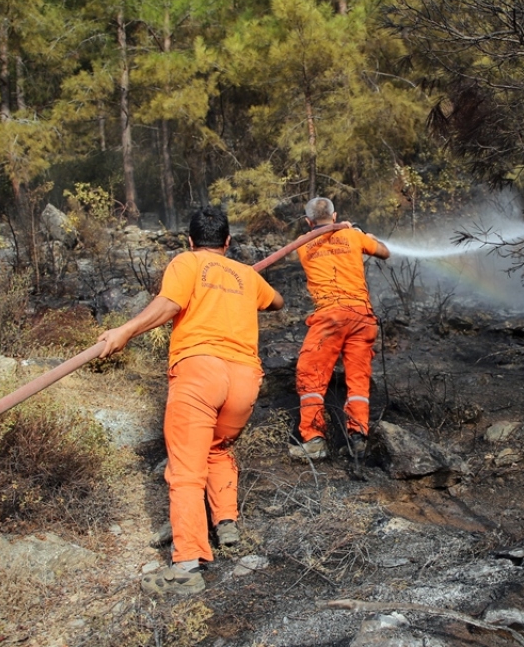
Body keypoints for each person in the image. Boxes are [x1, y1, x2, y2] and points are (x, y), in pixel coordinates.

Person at [97, 205, 283, 596]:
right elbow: (278, 302)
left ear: (190, 240)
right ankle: (227, 523)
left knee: (185, 470)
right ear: (228, 242)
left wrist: (124, 332)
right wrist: (243, 286)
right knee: (218, 449)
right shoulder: (247, 275)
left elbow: (169, 305)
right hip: (244, 380)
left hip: (200, 372)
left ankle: (185, 567)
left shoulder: (186, 262)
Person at [293, 197, 390, 460]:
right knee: (358, 378)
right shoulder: (353, 236)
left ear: (308, 221)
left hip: (330, 318)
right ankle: (358, 436)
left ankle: (314, 439)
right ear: (334, 217)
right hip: (362, 317)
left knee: (310, 373)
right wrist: (362, 235)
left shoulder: (303, 245)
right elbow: (384, 252)